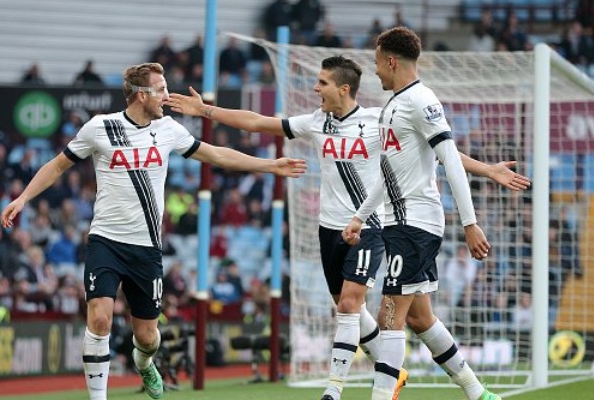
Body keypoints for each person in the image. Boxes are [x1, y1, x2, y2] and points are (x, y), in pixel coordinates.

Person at [167, 56, 529, 400]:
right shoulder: (315, 122)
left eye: (322, 82)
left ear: (343, 89)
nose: (314, 88)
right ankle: (473, 389)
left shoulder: (377, 120)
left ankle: (335, 390)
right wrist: (206, 111)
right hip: (330, 230)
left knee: (351, 304)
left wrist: (487, 170)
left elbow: (438, 149)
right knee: (419, 317)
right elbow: (260, 122)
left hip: (371, 226)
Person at [0, 62, 306, 400]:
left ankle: (144, 363)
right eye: (160, 89)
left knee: (147, 337)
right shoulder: (100, 128)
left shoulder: (169, 129)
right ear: (141, 95)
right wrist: (23, 198)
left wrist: (268, 165)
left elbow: (216, 155)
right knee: (100, 319)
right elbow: (58, 164)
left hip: (146, 248)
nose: (166, 95)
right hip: (105, 241)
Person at [342, 27, 504, 400]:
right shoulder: (393, 105)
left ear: (391, 60)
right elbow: (389, 174)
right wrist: (360, 216)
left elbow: (449, 159)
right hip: (401, 223)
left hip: (414, 224)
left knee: (389, 316)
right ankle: (478, 392)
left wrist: (470, 222)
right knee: (418, 318)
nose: (376, 71)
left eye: (378, 63)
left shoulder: (421, 100)